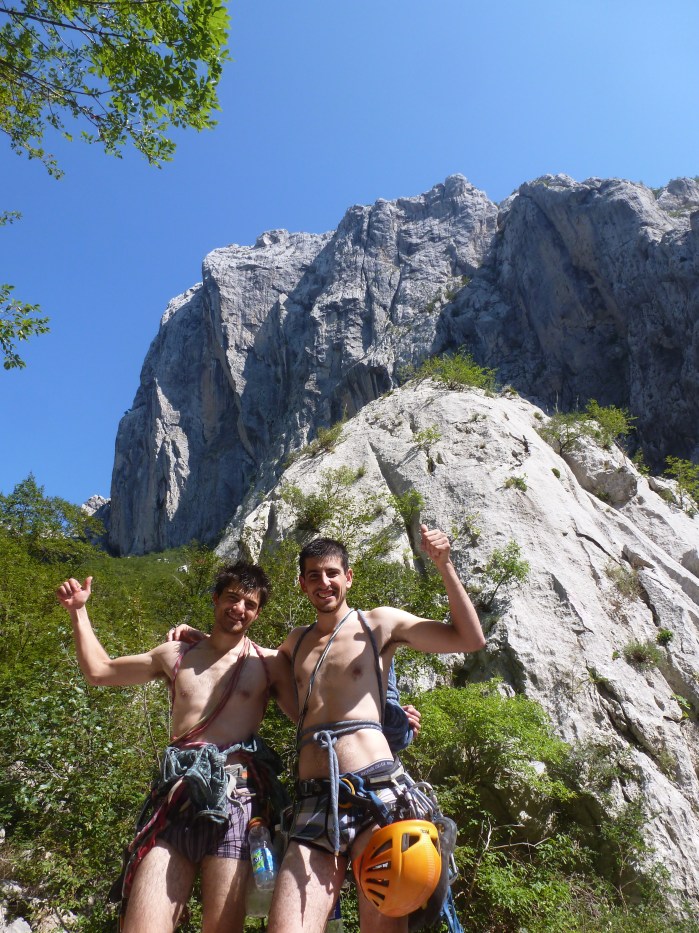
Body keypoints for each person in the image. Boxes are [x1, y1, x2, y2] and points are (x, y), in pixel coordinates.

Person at [267, 524, 486, 933]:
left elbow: (469, 639)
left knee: (383, 925)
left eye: (332, 572)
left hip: (377, 791)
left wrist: (445, 565)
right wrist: (198, 640)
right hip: (315, 799)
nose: (324, 582)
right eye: (313, 575)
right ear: (301, 584)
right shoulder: (292, 644)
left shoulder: (377, 624)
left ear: (348, 577)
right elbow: (240, 656)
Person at [56, 561, 295, 933]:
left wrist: (391, 718)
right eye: (232, 598)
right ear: (215, 599)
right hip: (178, 797)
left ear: (258, 612)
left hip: (239, 799)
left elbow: (310, 716)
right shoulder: (176, 655)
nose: (239, 609)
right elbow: (99, 671)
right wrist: (79, 612)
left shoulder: (268, 663)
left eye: (249, 603)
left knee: (222, 927)